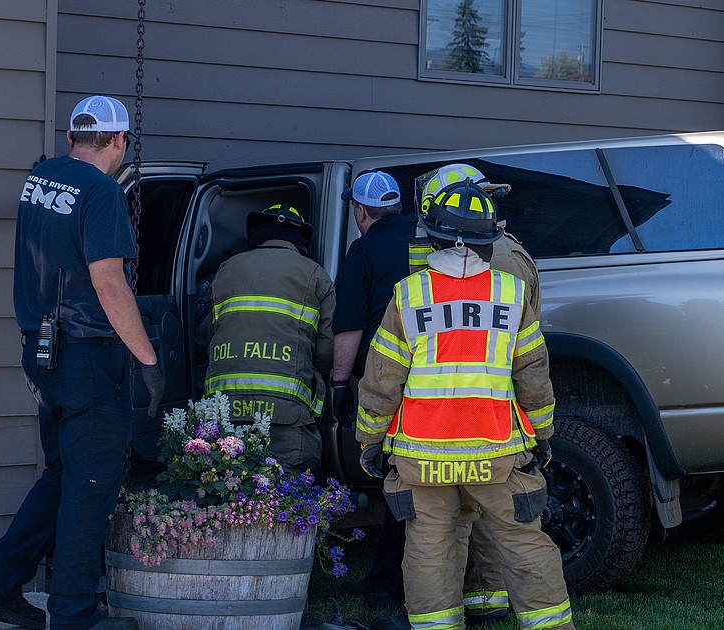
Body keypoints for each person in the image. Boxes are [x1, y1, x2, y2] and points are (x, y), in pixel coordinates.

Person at [0, 95, 163, 630]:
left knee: (60, 475)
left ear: (73, 135)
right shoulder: (102, 192)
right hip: (87, 355)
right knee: (90, 487)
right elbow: (108, 281)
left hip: (41, 351)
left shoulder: (43, 178)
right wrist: (146, 358)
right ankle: (75, 614)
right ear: (119, 140)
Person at [357, 180, 574, 630]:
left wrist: (370, 441)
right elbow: (532, 375)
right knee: (521, 538)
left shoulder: (408, 295)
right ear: (487, 240)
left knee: (429, 547)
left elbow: (382, 381)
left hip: (423, 457)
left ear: (431, 236)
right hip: (496, 453)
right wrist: (543, 434)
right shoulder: (512, 295)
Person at [329, 170, 415, 609]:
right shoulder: (428, 240)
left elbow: (349, 324)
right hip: (436, 378)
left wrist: (341, 382)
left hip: (387, 381)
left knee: (395, 480)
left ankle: (393, 585)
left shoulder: (363, 250)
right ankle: (386, 576)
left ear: (361, 212)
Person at [204, 203, 335, 473]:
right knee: (286, 499)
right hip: (287, 416)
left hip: (225, 410)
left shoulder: (225, 270)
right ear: (301, 243)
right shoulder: (314, 275)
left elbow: (211, 333)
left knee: (233, 499)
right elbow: (325, 352)